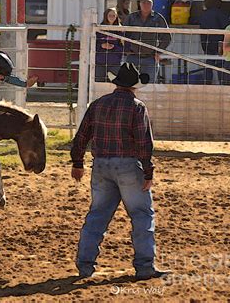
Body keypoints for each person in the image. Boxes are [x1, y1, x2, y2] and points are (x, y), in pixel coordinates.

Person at [71, 62, 169, 280]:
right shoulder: (137, 107)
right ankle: (144, 267)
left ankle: (85, 265)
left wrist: (77, 162)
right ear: (134, 86)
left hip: (101, 165)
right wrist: (148, 171)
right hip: (128, 166)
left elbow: (82, 136)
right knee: (141, 215)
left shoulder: (98, 104)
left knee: (97, 215)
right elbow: (144, 143)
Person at [123, 0, 171, 83]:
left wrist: (159, 51)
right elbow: (123, 34)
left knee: (149, 86)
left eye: (149, 3)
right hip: (133, 57)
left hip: (150, 58)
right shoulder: (131, 18)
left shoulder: (158, 18)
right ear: (139, 4)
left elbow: (166, 36)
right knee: (129, 84)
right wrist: (126, 49)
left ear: (152, 4)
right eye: (144, 3)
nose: (146, 5)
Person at [199, 0, 230, 85]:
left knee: (208, 66)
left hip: (207, 44)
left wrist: (204, 46)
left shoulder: (203, 14)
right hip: (219, 44)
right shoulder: (220, 14)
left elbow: (202, 31)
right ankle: (223, 86)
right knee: (221, 68)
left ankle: (206, 86)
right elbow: (227, 27)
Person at [95, 8, 123, 82]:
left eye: (114, 15)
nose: (112, 17)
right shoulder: (99, 29)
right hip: (100, 62)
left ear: (116, 17)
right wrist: (102, 46)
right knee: (99, 83)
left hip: (114, 62)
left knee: (116, 83)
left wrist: (114, 47)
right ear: (105, 16)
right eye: (110, 15)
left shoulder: (120, 30)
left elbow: (124, 46)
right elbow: (93, 44)